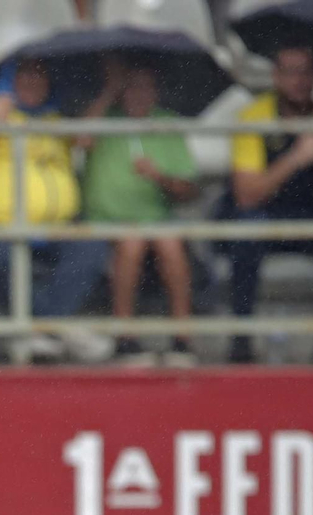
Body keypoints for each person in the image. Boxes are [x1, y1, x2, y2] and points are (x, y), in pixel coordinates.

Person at [0, 57, 112, 362]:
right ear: (9, 77)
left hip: (49, 231)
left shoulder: (55, 122)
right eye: (26, 74)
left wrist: (110, 90)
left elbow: (84, 141)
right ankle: (57, 326)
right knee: (7, 257)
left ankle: (42, 326)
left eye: (41, 75)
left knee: (91, 246)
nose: (33, 82)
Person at [223, 45, 313, 364]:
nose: (298, 81)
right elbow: (247, 195)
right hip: (267, 215)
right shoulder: (253, 118)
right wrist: (296, 158)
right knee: (245, 227)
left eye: (305, 72)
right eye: (290, 72)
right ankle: (241, 339)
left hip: (312, 215)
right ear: (276, 76)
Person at [80, 63, 199, 361]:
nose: (138, 94)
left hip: (156, 218)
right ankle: (125, 337)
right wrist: (109, 91)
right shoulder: (103, 119)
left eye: (145, 87)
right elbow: (80, 141)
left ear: (156, 92)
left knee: (170, 243)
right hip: (106, 219)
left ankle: (182, 339)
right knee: (132, 242)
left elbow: (188, 190)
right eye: (130, 86)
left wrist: (160, 177)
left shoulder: (167, 124)